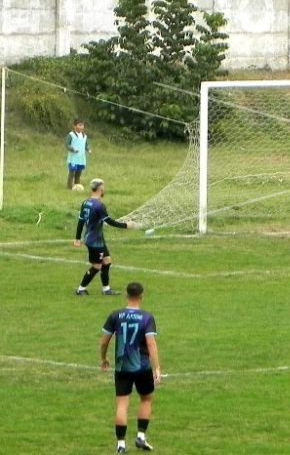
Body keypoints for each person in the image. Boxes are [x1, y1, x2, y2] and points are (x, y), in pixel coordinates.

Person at [100, 281, 161, 453]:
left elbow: (104, 341)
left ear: (126, 296)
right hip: (142, 367)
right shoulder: (147, 317)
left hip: (122, 366)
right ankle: (141, 436)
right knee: (146, 399)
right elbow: (151, 343)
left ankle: (121, 445)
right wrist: (156, 367)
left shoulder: (115, 315)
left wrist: (103, 358)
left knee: (122, 404)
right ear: (141, 296)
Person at [74, 179, 135, 296]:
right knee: (97, 266)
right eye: (103, 188)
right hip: (94, 241)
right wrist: (126, 225)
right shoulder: (99, 205)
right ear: (100, 189)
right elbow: (109, 221)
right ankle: (80, 289)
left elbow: (81, 221)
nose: (104, 190)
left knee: (107, 261)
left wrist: (77, 238)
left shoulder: (85, 202)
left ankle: (106, 289)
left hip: (95, 238)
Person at [66, 118, 91, 190]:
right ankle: (70, 187)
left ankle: (77, 186)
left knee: (78, 173)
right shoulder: (71, 135)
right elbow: (67, 144)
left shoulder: (84, 136)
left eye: (82, 125)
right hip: (73, 157)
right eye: (79, 125)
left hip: (81, 158)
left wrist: (88, 149)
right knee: (72, 172)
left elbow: (85, 145)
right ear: (75, 126)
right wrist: (73, 149)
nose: (81, 127)